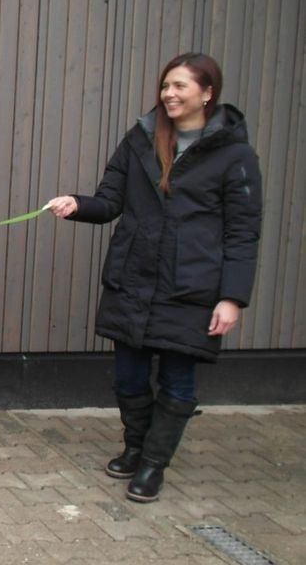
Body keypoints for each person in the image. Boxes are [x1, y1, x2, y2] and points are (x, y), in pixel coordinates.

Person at [47, 53, 261, 503]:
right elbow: (110, 201)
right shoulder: (141, 140)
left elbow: (243, 231)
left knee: (178, 381)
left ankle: (153, 465)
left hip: (193, 286)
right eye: (166, 86)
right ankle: (135, 445)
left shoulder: (234, 155)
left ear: (207, 93)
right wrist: (77, 204)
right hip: (136, 276)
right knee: (128, 377)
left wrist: (232, 298)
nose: (169, 94)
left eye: (180, 86)